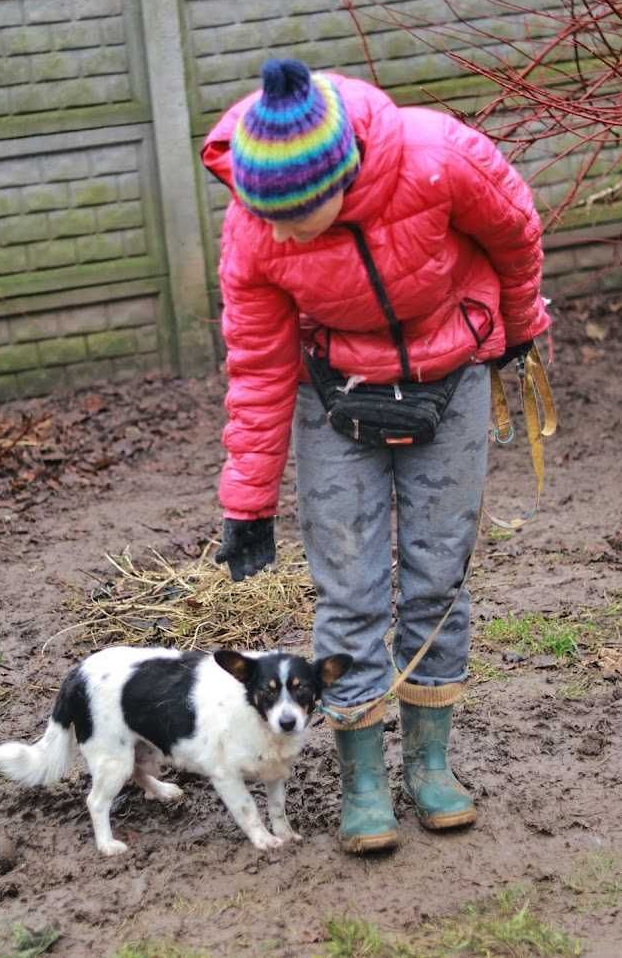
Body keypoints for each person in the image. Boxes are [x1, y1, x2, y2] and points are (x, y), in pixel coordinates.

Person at [201, 58, 549, 853]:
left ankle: (431, 766)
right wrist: (246, 500)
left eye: (295, 216)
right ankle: (363, 782)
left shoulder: (438, 157)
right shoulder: (254, 226)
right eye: (265, 215)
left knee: (437, 571)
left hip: (449, 377)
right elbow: (257, 364)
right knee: (349, 590)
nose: (278, 232)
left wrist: (521, 329)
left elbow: (517, 231)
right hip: (338, 398)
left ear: (342, 178)